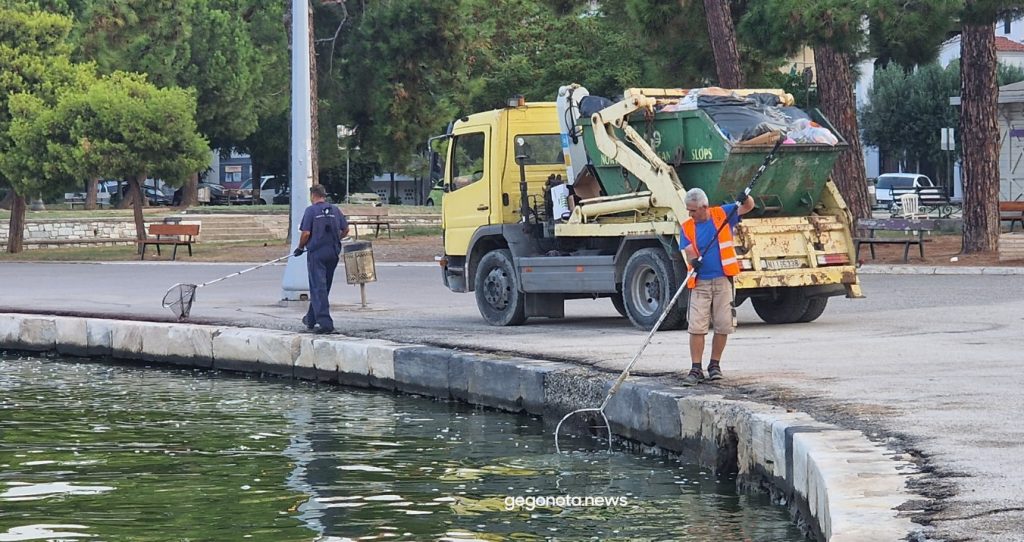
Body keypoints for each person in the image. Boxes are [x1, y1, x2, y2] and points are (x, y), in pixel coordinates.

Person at [679, 187, 756, 385]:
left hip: (723, 281)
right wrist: (694, 260)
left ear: (704, 207)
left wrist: (745, 197)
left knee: (723, 325)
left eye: (693, 210)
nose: (690, 214)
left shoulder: (723, 213)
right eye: (688, 210)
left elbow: (748, 206)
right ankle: (696, 369)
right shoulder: (687, 226)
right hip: (700, 283)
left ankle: (714, 365)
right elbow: (689, 251)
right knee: (696, 326)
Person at [294, 184, 350, 334]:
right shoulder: (335, 210)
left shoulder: (311, 210)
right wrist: (335, 239)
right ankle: (311, 318)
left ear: (313, 195)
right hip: (332, 252)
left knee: (318, 287)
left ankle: (325, 323)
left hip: (316, 253)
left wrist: (300, 248)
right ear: (324, 195)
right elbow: (346, 229)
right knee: (324, 287)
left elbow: (306, 233)